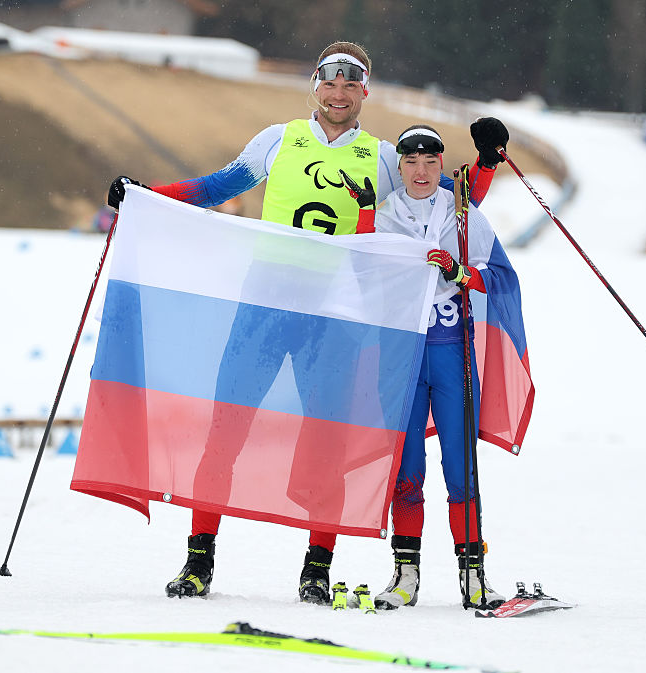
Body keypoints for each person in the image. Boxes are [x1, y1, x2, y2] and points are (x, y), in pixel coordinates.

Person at [106, 41, 509, 604]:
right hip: (265, 308)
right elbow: (218, 188)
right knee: (226, 429)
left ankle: (316, 568)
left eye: (351, 84)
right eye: (330, 81)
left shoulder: (385, 156)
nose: (338, 93)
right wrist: (148, 195)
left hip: (336, 317)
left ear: (364, 92)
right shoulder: (279, 138)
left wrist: (487, 161)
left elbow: (444, 192)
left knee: (327, 444)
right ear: (315, 86)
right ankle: (199, 559)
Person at [343, 124, 524, 610]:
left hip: (450, 351)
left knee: (461, 467)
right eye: (410, 163)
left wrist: (460, 274)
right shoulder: (381, 213)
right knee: (406, 469)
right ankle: (405, 577)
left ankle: (474, 578)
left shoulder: (462, 215)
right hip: (400, 355)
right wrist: (362, 216)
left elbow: (502, 278)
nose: (420, 172)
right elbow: (361, 272)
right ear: (398, 167)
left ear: (441, 166)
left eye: (429, 162)